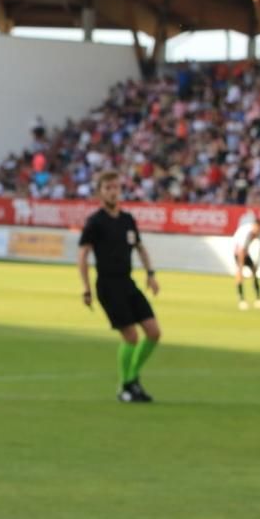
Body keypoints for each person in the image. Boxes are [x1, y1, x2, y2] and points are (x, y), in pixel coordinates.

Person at [78, 171, 162, 403]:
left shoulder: (128, 220)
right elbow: (83, 255)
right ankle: (126, 387)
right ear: (100, 192)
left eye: (116, 187)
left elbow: (140, 247)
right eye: (108, 188)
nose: (113, 191)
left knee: (154, 332)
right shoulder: (95, 222)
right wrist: (86, 288)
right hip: (107, 284)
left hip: (128, 282)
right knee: (132, 336)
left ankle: (132, 379)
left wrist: (151, 274)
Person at [233, 216, 260, 310]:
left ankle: (258, 299)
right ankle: (241, 300)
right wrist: (241, 267)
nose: (258, 230)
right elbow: (241, 251)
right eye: (257, 228)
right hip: (237, 251)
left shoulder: (259, 233)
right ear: (254, 226)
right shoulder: (246, 233)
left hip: (245, 252)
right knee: (239, 274)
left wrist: (257, 264)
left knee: (254, 271)